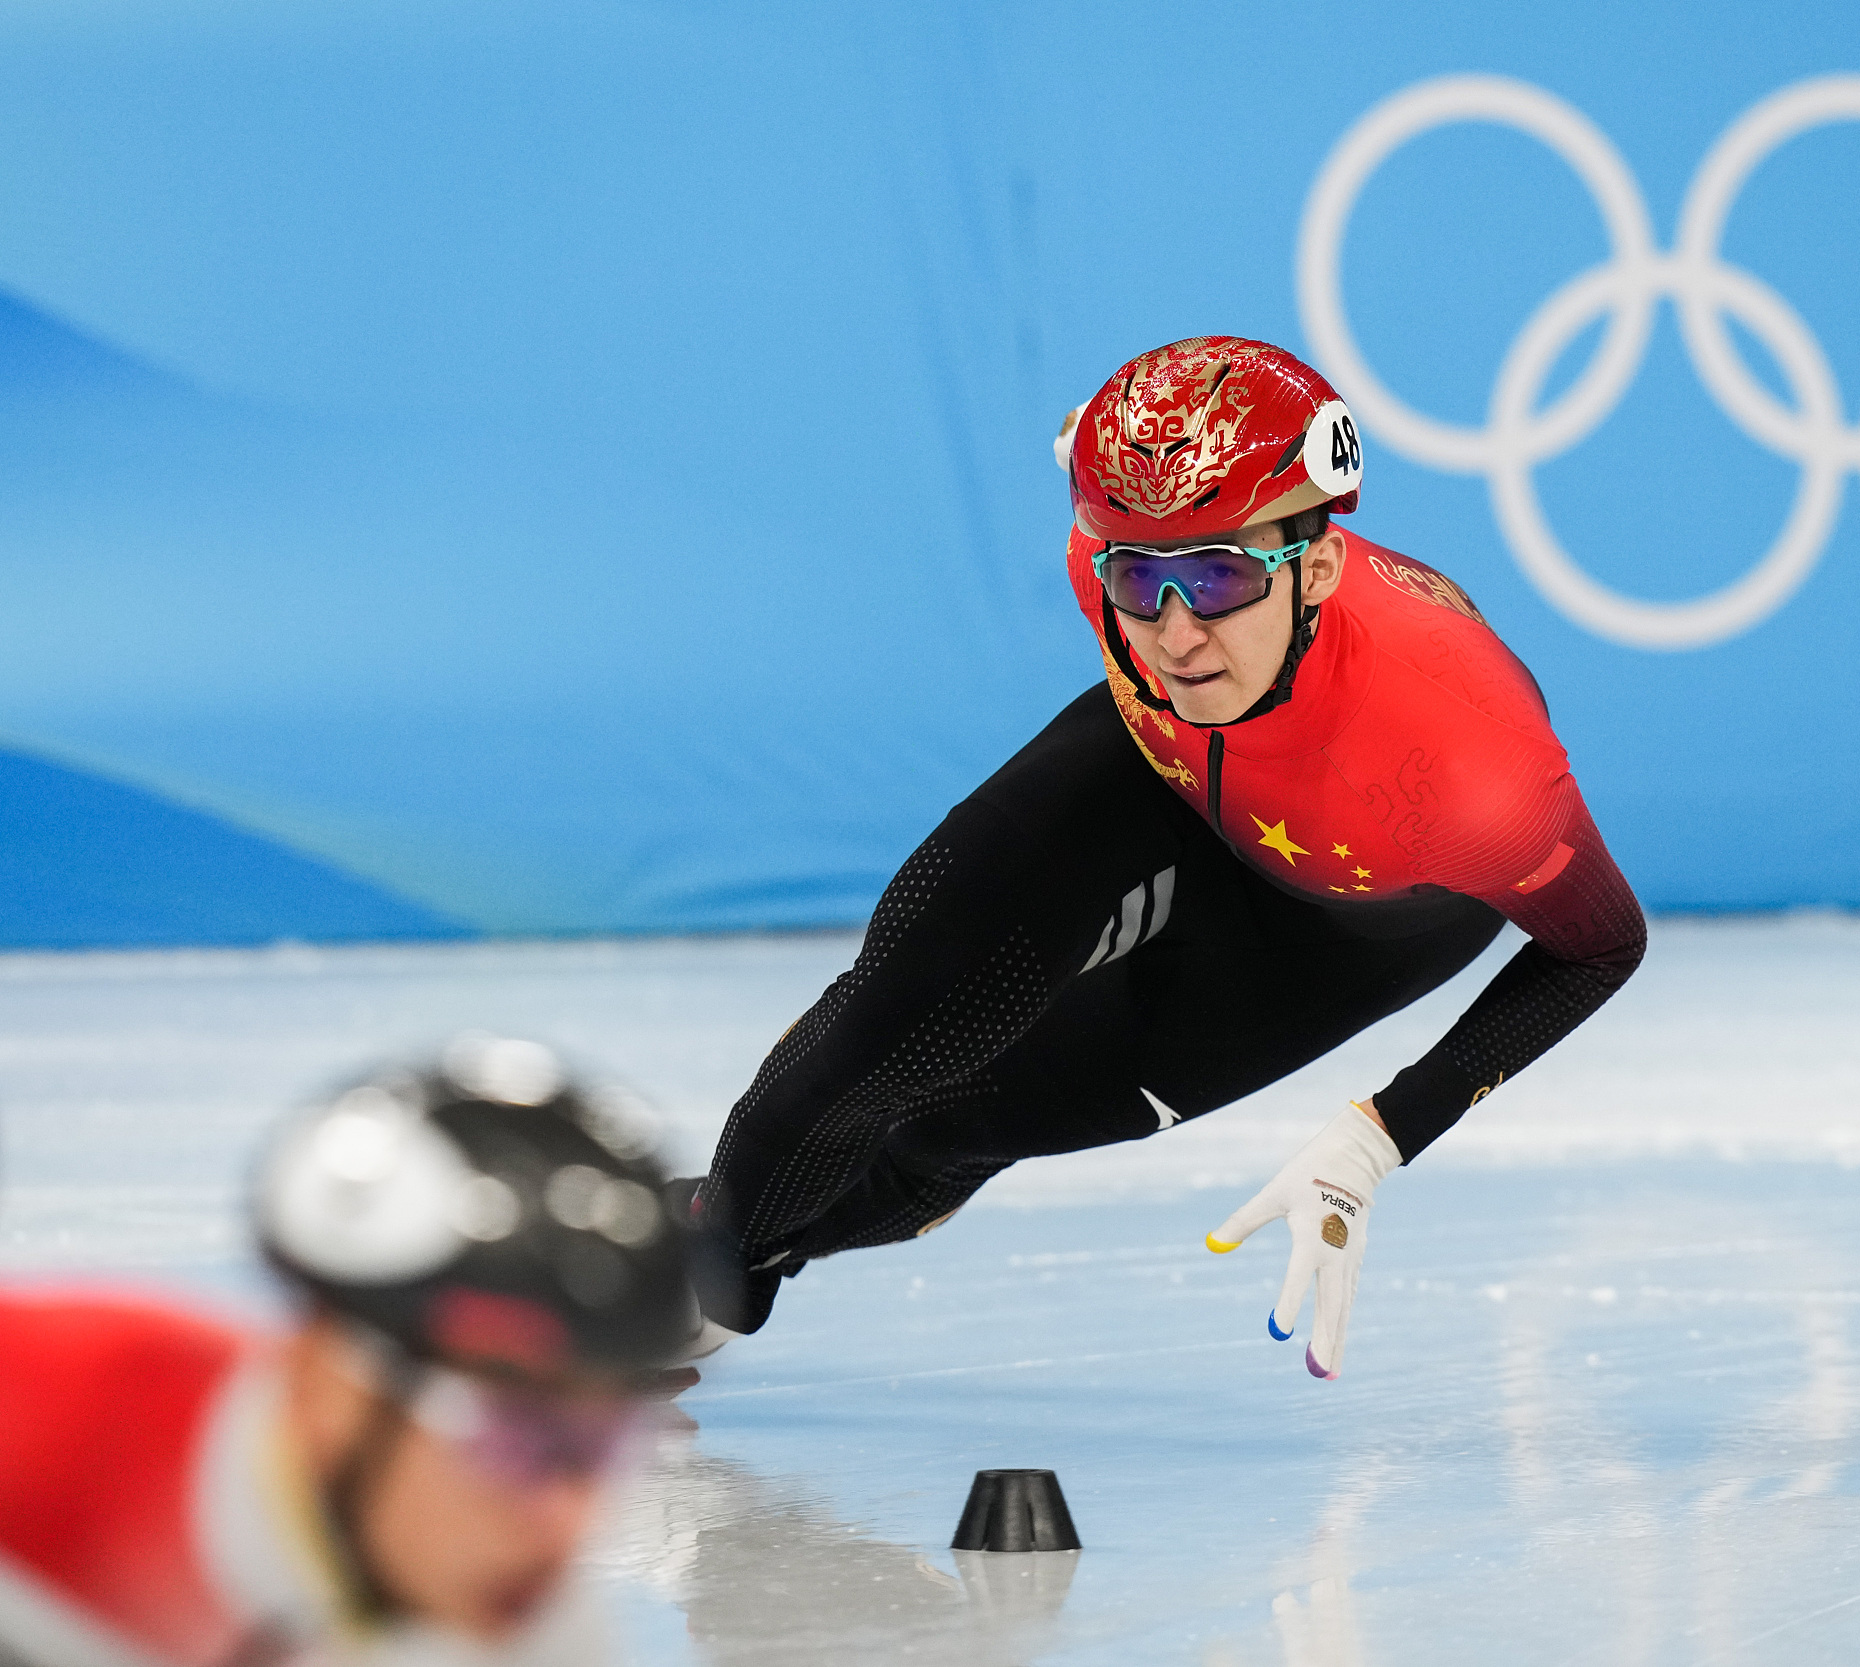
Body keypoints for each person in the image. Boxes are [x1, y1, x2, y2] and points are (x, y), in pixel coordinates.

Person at [686, 336, 1646, 1379]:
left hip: (1339, 928)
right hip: (1157, 778)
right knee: (889, 1021)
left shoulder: (1471, 767)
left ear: (1316, 567)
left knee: (957, 1123)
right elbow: (1097, 466)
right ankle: (690, 1275)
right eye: (1140, 578)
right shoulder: (1112, 546)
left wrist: (1383, 1132)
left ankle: (715, 1252)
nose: (1176, 633)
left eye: (1222, 575)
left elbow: (1599, 947)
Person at [0, 1036, 699, 1667]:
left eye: (605, 1443)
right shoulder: (42, 1423)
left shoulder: (539, 1640)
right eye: (519, 1437)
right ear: (328, 1382)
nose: (565, 1520)